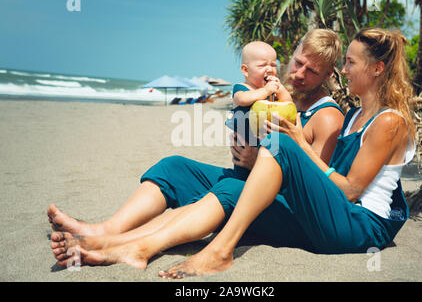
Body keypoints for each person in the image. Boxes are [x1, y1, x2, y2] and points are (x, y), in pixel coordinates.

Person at [48, 29, 344, 269]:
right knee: (173, 166)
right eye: (298, 62)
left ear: (328, 75)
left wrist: (258, 161)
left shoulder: (326, 116)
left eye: (313, 71)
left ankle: (135, 249)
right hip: (245, 179)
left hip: (281, 207)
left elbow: (311, 190)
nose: (300, 73)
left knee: (227, 187)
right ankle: (104, 230)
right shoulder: (277, 94)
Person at [158, 27, 416, 278]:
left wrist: (299, 145)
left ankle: (220, 250)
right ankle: (129, 241)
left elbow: (350, 190)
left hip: (363, 227)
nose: (344, 70)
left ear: (377, 69)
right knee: (203, 178)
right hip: (339, 215)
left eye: (350, 63)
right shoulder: (354, 116)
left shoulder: (389, 122)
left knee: (282, 146)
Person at [225, 41, 292, 180]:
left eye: (273, 65)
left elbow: (289, 104)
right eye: (262, 65)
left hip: (266, 146)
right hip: (245, 148)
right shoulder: (241, 88)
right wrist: (266, 90)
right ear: (245, 70)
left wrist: (281, 89)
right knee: (244, 180)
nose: (269, 69)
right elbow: (243, 99)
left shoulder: (272, 91)